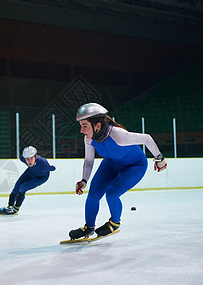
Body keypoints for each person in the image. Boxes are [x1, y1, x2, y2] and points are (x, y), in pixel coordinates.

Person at [69, 102, 167, 239]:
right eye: (80, 126)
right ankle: (88, 227)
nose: (81, 130)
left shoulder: (118, 135)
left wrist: (159, 158)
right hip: (111, 163)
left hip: (134, 166)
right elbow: (89, 161)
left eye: (84, 126)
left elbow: (147, 139)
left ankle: (114, 223)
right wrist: (84, 180)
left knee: (112, 193)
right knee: (93, 194)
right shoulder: (89, 139)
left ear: (97, 125)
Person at [0, 146, 56, 214]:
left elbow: (53, 168)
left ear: (35, 157)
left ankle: (16, 208)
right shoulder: (22, 159)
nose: (29, 161)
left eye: (31, 158)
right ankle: (10, 206)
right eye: (27, 159)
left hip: (41, 177)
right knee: (16, 187)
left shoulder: (43, 163)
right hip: (30, 172)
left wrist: (51, 167)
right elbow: (25, 160)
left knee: (23, 187)